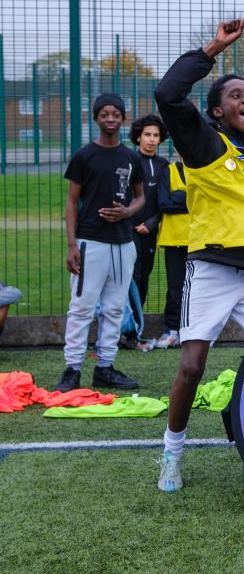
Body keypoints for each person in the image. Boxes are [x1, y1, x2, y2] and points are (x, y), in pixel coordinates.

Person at [154, 19, 244, 492]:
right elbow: (167, 95)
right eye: (235, 95)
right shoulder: (205, 146)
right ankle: (171, 453)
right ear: (214, 111)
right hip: (209, 269)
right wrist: (212, 49)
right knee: (191, 366)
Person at [55, 93, 145, 393]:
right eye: (104, 114)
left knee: (114, 308)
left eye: (115, 114)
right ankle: (72, 369)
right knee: (81, 307)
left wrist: (127, 211)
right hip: (89, 242)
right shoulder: (84, 156)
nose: (110, 119)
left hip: (123, 244)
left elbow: (140, 197)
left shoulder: (131, 157)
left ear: (122, 118)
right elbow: (71, 203)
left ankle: (105, 368)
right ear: (96, 118)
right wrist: (71, 245)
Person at [128, 113, 170, 333]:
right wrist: (132, 223)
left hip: (150, 230)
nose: (152, 139)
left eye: (156, 135)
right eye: (147, 135)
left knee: (144, 278)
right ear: (138, 137)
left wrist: (152, 223)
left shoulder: (164, 165)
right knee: (130, 279)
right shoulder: (129, 160)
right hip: (129, 230)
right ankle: (128, 328)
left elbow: (164, 200)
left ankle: (137, 328)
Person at [152, 156, 190, 350]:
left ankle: (192, 331)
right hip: (174, 239)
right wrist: (188, 198)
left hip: (198, 240)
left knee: (197, 290)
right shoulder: (169, 171)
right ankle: (171, 330)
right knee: (175, 288)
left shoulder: (201, 170)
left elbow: (206, 201)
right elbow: (164, 203)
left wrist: (178, 196)